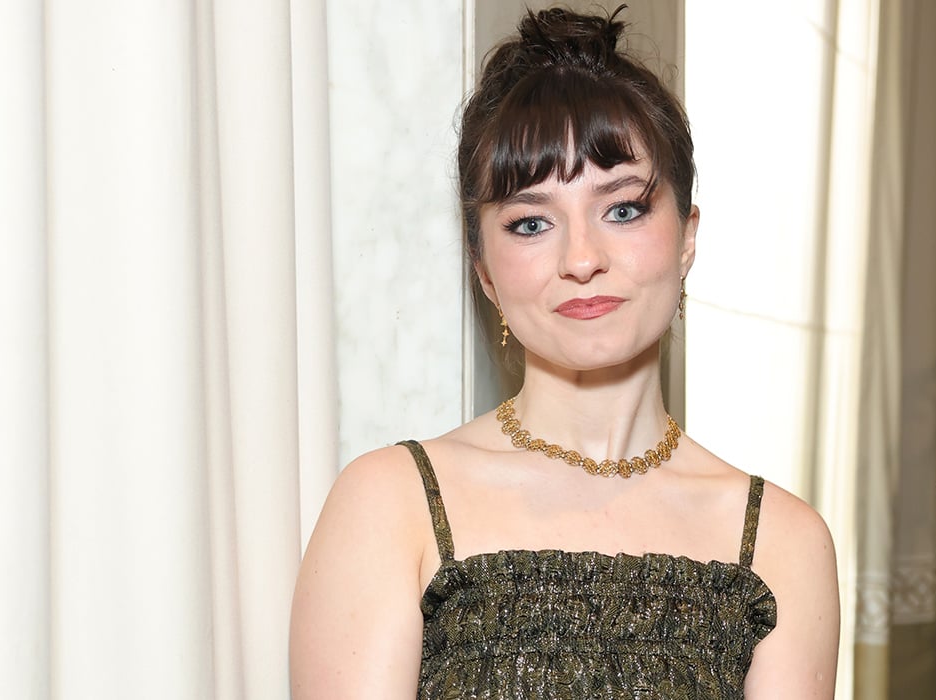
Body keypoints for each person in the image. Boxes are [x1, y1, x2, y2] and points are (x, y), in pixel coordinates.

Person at [290, 6, 839, 698]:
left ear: (687, 237)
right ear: (484, 269)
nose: (582, 259)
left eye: (623, 209)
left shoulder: (784, 543)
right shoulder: (391, 505)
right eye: (530, 222)